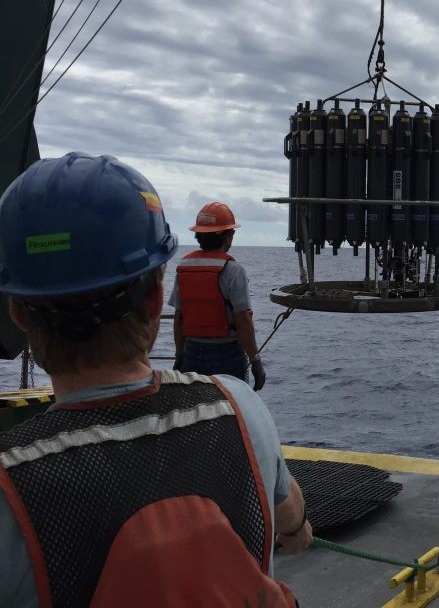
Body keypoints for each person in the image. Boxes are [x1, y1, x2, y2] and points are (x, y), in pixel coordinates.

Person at [0, 152, 312, 607]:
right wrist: (254, 363)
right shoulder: (242, 412)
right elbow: (290, 515)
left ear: (17, 314)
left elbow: (183, 318)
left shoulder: (11, 492)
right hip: (222, 360)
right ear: (152, 301)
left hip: (194, 353)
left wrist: (184, 355)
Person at [170, 201, 266, 391]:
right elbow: (243, 319)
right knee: (231, 408)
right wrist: (255, 360)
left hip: (192, 351)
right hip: (227, 353)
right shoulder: (233, 270)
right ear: (227, 237)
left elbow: (179, 317)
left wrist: (180, 355)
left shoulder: (184, 267)